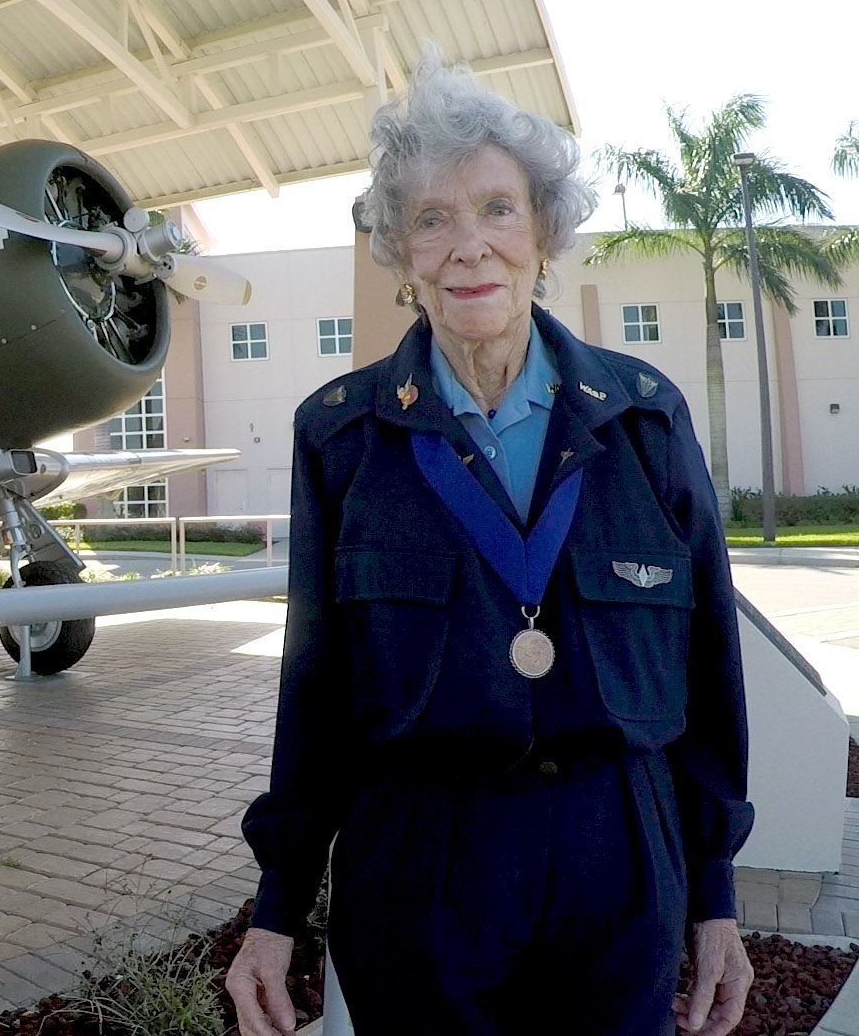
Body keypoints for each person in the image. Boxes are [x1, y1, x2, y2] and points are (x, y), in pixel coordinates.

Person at [224, 56, 754, 1036]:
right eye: (432, 218)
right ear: (399, 250)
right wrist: (277, 907)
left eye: (498, 209)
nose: (469, 247)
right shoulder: (341, 438)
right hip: (422, 865)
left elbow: (709, 670)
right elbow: (316, 694)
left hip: (618, 857)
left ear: (544, 231)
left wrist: (714, 895)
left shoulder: (646, 419)